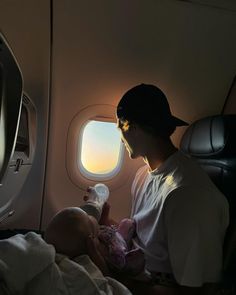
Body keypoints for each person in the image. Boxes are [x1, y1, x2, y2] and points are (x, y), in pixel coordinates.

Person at [106, 83, 229, 295]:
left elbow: (195, 290)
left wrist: (109, 275)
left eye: (120, 128)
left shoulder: (188, 195)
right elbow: (144, 239)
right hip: (130, 273)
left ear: (132, 128)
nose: (120, 137)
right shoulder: (143, 175)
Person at [44, 206, 145, 278]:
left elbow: (106, 229)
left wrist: (104, 216)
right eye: (88, 218)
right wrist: (95, 253)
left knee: (126, 223)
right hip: (119, 248)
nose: (91, 216)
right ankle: (127, 253)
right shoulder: (97, 254)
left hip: (115, 236)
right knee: (132, 263)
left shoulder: (97, 234)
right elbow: (105, 274)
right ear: (91, 241)